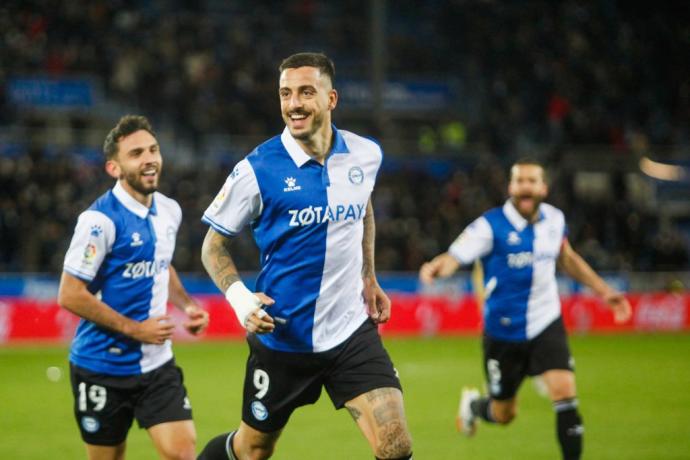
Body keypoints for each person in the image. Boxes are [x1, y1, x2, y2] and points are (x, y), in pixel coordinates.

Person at [197, 52, 413, 460]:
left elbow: (362, 207)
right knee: (253, 449)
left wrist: (369, 276)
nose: (293, 104)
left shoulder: (365, 155)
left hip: (351, 332)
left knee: (396, 446)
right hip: (282, 336)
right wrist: (240, 299)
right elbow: (212, 245)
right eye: (285, 93)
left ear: (332, 99)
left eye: (305, 92)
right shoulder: (256, 170)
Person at [419, 158, 632, 460]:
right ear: (511, 187)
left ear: (543, 187)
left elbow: (567, 258)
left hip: (547, 322)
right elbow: (454, 256)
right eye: (520, 181)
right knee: (504, 413)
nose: (525, 187)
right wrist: (436, 267)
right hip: (503, 332)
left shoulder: (555, 220)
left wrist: (604, 291)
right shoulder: (489, 225)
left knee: (565, 393)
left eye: (532, 181)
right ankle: (474, 407)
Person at [57, 115, 209, 460]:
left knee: (182, 451)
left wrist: (187, 306)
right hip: (100, 365)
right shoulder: (99, 222)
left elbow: (161, 264)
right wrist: (135, 329)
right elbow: (69, 293)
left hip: (156, 364)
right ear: (114, 167)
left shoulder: (169, 210)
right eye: (136, 153)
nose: (149, 159)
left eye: (153, 150)